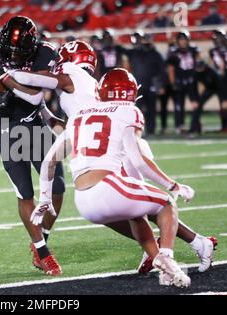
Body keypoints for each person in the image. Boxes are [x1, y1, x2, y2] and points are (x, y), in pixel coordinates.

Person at [7, 44, 217, 275]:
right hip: (105, 146)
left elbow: (36, 81)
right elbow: (71, 130)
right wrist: (45, 112)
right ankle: (185, 245)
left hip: (113, 151)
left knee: (143, 208)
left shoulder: (71, 74)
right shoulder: (86, 86)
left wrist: (5, 73)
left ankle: (170, 251)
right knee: (127, 211)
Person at [33, 68, 192, 287]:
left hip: (84, 202)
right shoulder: (129, 111)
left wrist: (44, 199)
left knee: (137, 214)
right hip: (108, 187)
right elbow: (138, 160)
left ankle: (158, 261)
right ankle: (168, 261)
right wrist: (172, 185)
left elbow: (49, 162)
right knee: (166, 203)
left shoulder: (79, 114)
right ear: (131, 93)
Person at [0, 16, 65, 276]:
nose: (15, 56)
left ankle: (41, 236)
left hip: (38, 127)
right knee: (25, 193)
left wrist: (6, 77)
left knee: (58, 189)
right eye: (11, 54)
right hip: (10, 130)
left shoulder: (45, 53)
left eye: (20, 54)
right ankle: (42, 251)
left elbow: (35, 96)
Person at [126, 32, 166, 135]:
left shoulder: (155, 54)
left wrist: (160, 85)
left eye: (147, 40)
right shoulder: (135, 52)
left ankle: (151, 130)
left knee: (151, 109)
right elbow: (122, 50)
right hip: (138, 85)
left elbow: (162, 71)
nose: (146, 42)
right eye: (144, 40)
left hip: (151, 85)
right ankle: (137, 129)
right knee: (137, 109)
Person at [167, 31, 200, 134]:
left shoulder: (193, 50)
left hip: (192, 81)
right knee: (179, 105)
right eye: (181, 39)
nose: (183, 42)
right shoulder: (173, 51)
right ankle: (179, 126)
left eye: (185, 39)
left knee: (196, 104)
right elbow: (171, 69)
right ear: (177, 41)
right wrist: (173, 83)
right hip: (179, 81)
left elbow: (199, 63)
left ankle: (196, 125)